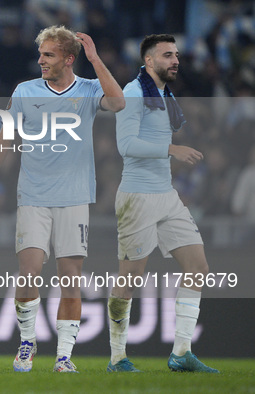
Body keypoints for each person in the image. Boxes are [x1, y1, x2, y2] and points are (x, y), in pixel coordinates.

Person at [0, 25, 124, 373]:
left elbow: (117, 102)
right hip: (34, 197)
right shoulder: (25, 90)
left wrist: (96, 59)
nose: (41, 60)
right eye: (41, 54)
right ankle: (27, 342)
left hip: (74, 198)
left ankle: (64, 356)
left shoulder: (87, 89)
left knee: (70, 278)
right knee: (29, 272)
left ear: (69, 59)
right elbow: (4, 138)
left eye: (49, 55)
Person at [106, 34, 219, 373]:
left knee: (198, 267)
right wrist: (171, 149)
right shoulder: (132, 93)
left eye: (177, 55)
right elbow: (125, 145)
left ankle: (181, 353)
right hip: (137, 196)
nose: (175, 61)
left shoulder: (164, 94)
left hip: (165, 194)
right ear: (149, 60)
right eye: (168, 55)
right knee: (130, 278)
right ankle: (117, 358)